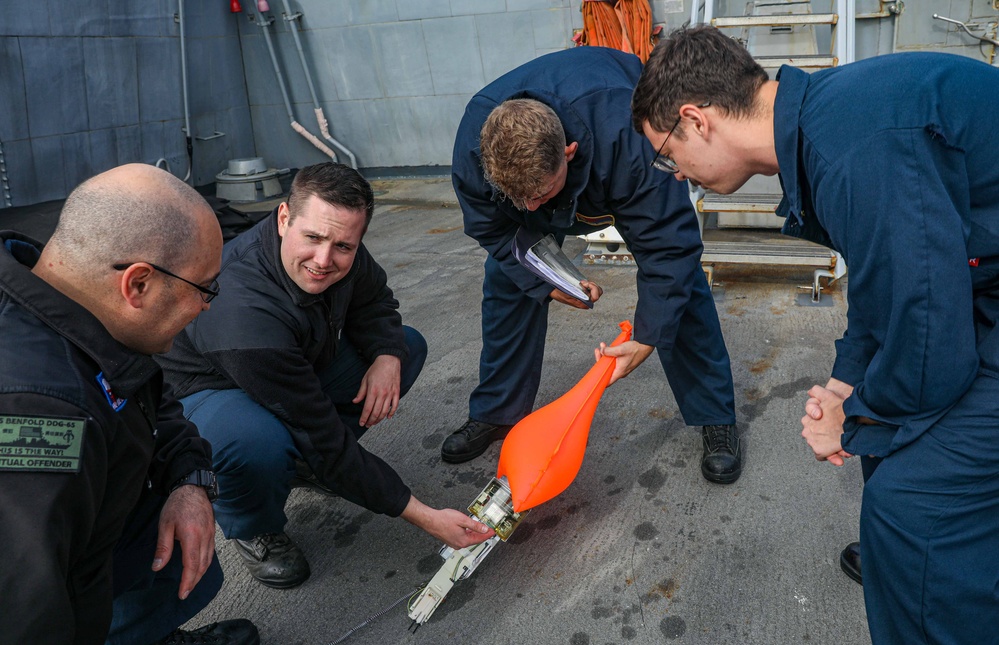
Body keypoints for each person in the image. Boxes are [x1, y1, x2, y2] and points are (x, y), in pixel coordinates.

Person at [632, 25, 999, 643]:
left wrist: (858, 420)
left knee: (909, 509)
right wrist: (847, 378)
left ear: (695, 120)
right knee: (889, 468)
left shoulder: (854, 149)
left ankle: (924, 565)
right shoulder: (827, 125)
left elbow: (930, 336)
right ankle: (921, 572)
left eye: (667, 153)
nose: (674, 174)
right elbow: (890, 278)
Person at [158, 162, 494, 590]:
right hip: (208, 390)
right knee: (254, 441)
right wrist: (424, 516)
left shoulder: (340, 243)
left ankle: (301, 466)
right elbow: (320, 431)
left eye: (343, 246)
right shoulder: (242, 306)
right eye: (312, 238)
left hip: (291, 364)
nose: (323, 260)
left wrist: (388, 354)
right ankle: (251, 525)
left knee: (406, 346)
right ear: (284, 218)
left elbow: (374, 302)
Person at [447, 46, 742, 485]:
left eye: (541, 195)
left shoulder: (631, 137)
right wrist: (545, 280)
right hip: (543, 167)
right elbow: (495, 229)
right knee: (508, 280)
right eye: (519, 199)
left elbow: (669, 248)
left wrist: (645, 338)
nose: (530, 207)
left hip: (609, 144)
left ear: (567, 152)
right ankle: (497, 411)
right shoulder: (476, 145)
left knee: (678, 286)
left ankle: (715, 415)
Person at [0, 164, 258, 644]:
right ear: (137, 285)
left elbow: (144, 398)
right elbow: (24, 616)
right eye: (204, 288)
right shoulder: (39, 413)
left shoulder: (63, 301)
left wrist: (189, 480)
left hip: (90, 537)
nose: (208, 306)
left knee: (172, 522)